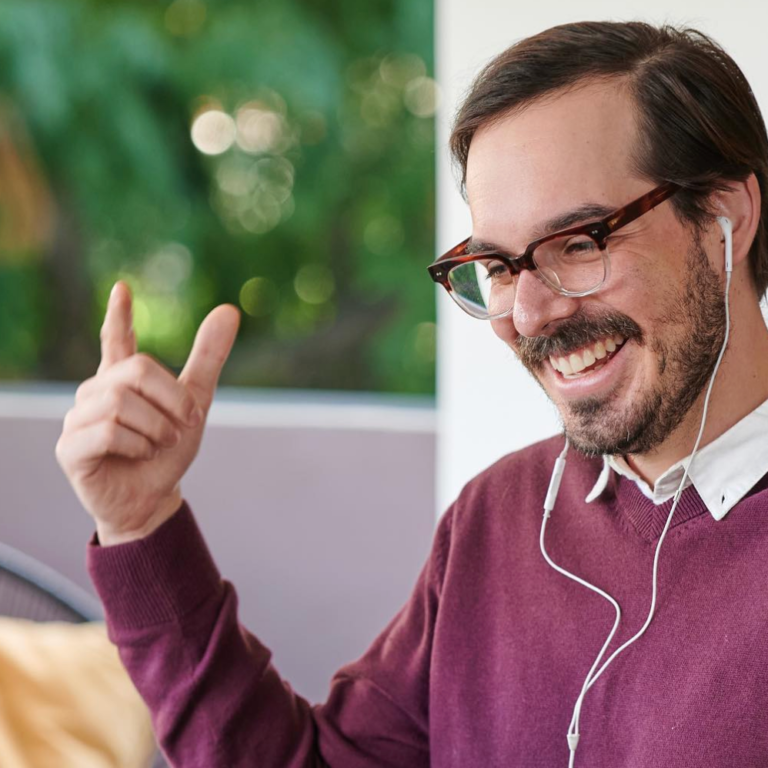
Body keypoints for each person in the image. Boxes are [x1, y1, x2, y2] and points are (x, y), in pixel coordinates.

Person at [55, 20, 768, 767]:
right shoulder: (499, 518)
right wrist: (142, 523)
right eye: (497, 265)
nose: (526, 315)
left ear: (727, 217)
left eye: (582, 242)